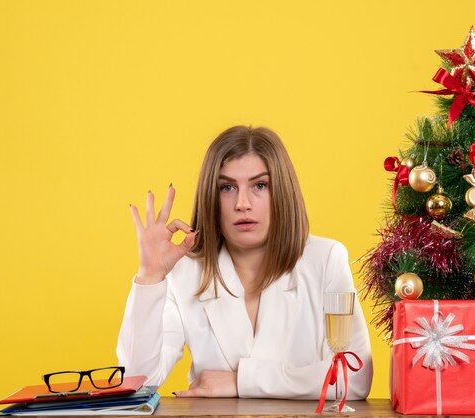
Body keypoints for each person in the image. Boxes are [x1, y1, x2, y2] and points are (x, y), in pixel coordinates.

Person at [117, 125, 373, 399]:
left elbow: (353, 376)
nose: (242, 203)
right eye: (227, 187)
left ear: (282, 193)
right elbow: (138, 381)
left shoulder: (326, 260)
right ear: (211, 199)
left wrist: (241, 382)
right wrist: (150, 277)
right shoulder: (183, 272)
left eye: (260, 185)